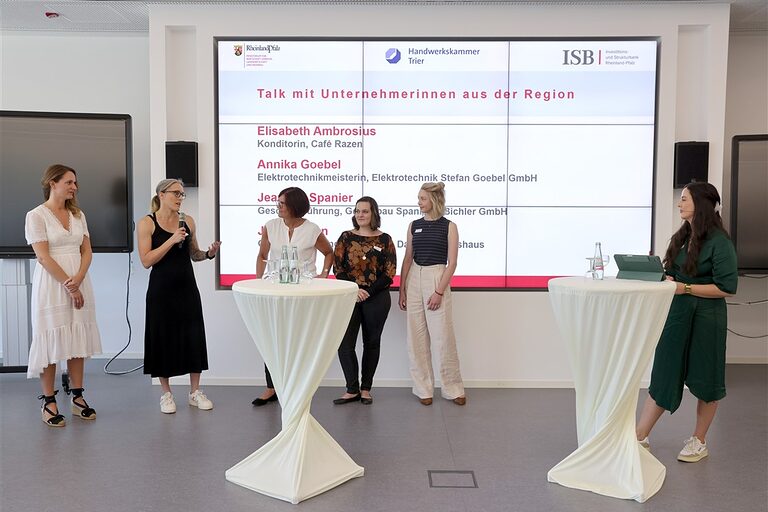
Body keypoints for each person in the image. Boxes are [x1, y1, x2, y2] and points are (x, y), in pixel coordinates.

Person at [636, 182, 737, 462]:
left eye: (684, 199)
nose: (679, 204)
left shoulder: (720, 242)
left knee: (707, 377)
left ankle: (699, 441)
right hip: (677, 313)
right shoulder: (682, 236)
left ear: (701, 204)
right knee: (664, 372)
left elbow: (727, 287)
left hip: (707, 317)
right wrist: (663, 275)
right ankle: (640, 435)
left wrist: (687, 288)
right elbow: (674, 273)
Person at [25, 164, 102, 427]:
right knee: (50, 338)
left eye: (75, 183)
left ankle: (78, 398)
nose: (74, 187)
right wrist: (70, 285)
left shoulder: (79, 215)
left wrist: (79, 278)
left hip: (80, 280)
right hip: (52, 284)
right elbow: (43, 257)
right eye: (69, 182)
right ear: (52, 183)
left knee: (76, 335)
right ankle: (49, 401)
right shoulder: (36, 216)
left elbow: (87, 251)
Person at [138, 179, 221, 414]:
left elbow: (194, 254)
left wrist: (209, 253)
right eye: (176, 193)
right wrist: (171, 240)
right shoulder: (147, 223)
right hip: (161, 290)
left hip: (187, 287)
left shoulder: (187, 221)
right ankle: (166, 394)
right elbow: (146, 260)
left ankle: (195, 392)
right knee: (162, 337)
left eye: (182, 195)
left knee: (193, 336)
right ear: (161, 195)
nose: (179, 198)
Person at [251, 186, 334, 406]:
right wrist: (260, 283)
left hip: (304, 292)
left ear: (294, 206)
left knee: (299, 338)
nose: (277, 207)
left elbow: (328, 253)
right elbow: (262, 255)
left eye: (282, 204)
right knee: (272, 338)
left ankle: (297, 387)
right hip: (276, 290)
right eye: (277, 203)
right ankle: (271, 387)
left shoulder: (312, 229)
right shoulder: (270, 226)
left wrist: (324, 275)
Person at [398, 182, 466, 406]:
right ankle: (423, 388)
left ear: (434, 200)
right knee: (416, 337)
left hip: (437, 276)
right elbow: (408, 257)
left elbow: (452, 263)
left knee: (443, 337)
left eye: (422, 198)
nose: (419, 202)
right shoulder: (413, 225)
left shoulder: (449, 226)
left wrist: (438, 291)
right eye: (419, 198)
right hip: (414, 277)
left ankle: (453, 388)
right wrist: (402, 289)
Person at [332, 197, 397, 405]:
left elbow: (389, 273)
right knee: (345, 344)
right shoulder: (345, 237)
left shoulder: (385, 239)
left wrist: (367, 291)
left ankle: (366, 389)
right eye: (357, 211)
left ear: (374, 214)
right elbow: (338, 268)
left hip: (377, 299)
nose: (360, 214)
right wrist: (355, 289)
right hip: (348, 297)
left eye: (365, 211)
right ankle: (352, 389)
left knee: (371, 343)